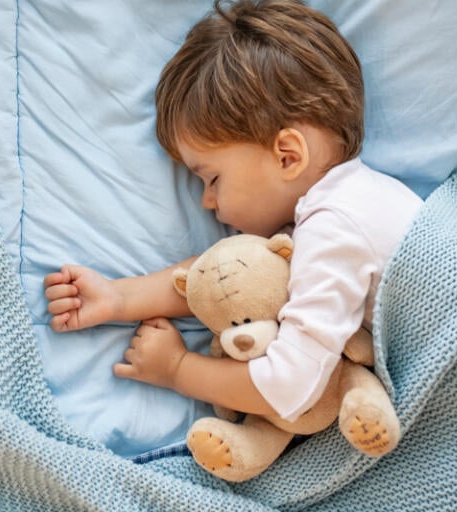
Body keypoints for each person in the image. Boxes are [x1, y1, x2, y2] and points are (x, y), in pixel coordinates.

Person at [44, 0, 423, 424]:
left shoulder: (335, 228)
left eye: (213, 179)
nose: (207, 202)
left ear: (286, 156)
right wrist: (119, 298)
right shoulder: (351, 201)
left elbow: (290, 386)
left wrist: (178, 370)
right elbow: (229, 275)